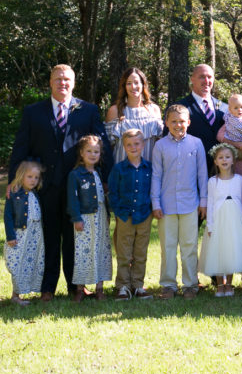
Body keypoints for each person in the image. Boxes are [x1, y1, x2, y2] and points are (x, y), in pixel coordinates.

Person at [7, 64, 109, 300]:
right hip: (44, 186)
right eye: (58, 79)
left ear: (73, 83)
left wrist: (104, 179)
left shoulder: (88, 110)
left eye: (67, 80)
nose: (62, 83)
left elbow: (101, 146)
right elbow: (21, 147)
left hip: (79, 187)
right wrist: (14, 180)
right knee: (48, 236)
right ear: (50, 82)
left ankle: (77, 286)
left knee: (75, 237)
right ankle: (47, 288)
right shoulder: (34, 112)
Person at [151, 104, 208, 300]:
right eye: (173, 121)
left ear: (188, 123)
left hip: (190, 203)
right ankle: (168, 285)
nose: (178, 125)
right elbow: (156, 176)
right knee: (168, 246)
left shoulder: (196, 144)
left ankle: (191, 284)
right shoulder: (160, 146)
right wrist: (155, 203)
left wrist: (203, 201)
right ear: (166, 123)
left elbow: (202, 174)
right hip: (166, 205)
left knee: (189, 245)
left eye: (182, 121)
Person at [199, 144, 242, 297]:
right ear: (216, 161)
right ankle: (219, 285)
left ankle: (229, 284)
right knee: (218, 251)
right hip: (218, 221)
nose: (224, 160)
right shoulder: (212, 182)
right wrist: (210, 225)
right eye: (220, 157)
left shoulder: (238, 179)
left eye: (227, 157)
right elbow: (210, 204)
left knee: (230, 251)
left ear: (233, 160)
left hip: (234, 220)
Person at [107, 129, 154, 300]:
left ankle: (138, 285)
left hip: (144, 215)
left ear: (143, 145)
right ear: (124, 147)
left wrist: (150, 209)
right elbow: (112, 193)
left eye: (136, 144)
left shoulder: (149, 168)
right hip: (125, 215)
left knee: (141, 252)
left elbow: (154, 190)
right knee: (124, 252)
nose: (133, 147)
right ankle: (123, 286)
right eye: (129, 145)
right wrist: (119, 212)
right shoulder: (119, 169)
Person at [67, 135, 112, 302]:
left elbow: (103, 197)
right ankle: (80, 288)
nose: (93, 155)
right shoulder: (75, 174)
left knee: (101, 250)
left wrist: (107, 214)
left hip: (100, 217)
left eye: (96, 152)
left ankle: (100, 288)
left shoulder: (98, 172)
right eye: (89, 151)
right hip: (84, 218)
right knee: (84, 252)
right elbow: (73, 199)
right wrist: (76, 218)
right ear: (81, 152)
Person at [4, 161, 44, 306]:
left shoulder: (35, 194)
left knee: (32, 262)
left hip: (35, 236)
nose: (33, 180)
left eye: (36, 177)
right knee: (18, 263)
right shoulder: (14, 193)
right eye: (29, 177)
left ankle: (29, 289)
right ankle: (15, 295)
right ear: (21, 176)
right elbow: (7, 216)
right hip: (20, 235)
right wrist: (10, 236)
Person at [105, 67, 164, 165]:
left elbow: (159, 144)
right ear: (124, 86)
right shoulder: (115, 111)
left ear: (143, 84)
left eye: (136, 82)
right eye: (129, 83)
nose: (133, 86)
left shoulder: (154, 110)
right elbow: (108, 147)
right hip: (122, 173)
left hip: (148, 172)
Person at [177, 64, 227, 169]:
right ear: (192, 79)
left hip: (221, 172)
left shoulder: (224, 108)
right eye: (201, 77)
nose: (206, 81)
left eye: (209, 77)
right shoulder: (180, 107)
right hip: (191, 170)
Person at [217, 93, 242, 168]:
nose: (239, 110)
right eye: (236, 108)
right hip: (237, 147)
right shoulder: (236, 120)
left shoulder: (230, 116)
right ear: (230, 110)